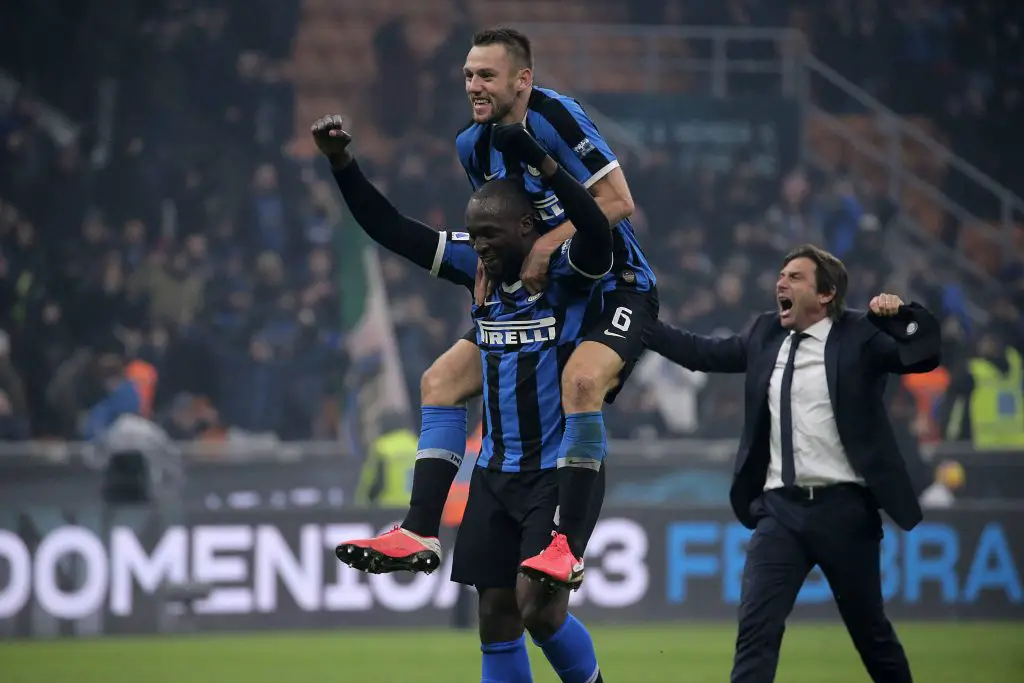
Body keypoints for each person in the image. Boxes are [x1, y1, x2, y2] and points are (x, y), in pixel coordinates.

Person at [342, 26, 657, 590]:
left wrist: (543, 245)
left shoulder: (556, 116)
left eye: (486, 75)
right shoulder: (472, 144)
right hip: (550, 291)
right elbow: (502, 215)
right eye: (467, 75)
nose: (474, 85)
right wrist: (493, 255)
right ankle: (418, 531)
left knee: (582, 385)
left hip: (613, 283)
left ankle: (567, 544)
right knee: (438, 381)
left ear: (523, 80)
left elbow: (618, 202)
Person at [313, 114, 609, 683]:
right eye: (474, 237)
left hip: (556, 469)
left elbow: (596, 230)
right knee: (495, 617)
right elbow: (392, 228)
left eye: (492, 235)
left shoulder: (568, 274)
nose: (482, 249)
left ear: (528, 226)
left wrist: (546, 163)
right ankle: (417, 525)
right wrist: (342, 165)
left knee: (539, 610)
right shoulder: (477, 264)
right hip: (496, 472)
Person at [645, 244, 941, 683]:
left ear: (826, 294)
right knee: (755, 631)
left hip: (845, 511)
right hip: (780, 512)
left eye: (795, 277)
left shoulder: (861, 333)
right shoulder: (766, 334)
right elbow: (700, 353)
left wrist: (902, 315)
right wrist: (634, 326)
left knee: (871, 635)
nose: (781, 282)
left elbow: (925, 353)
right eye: (781, 275)